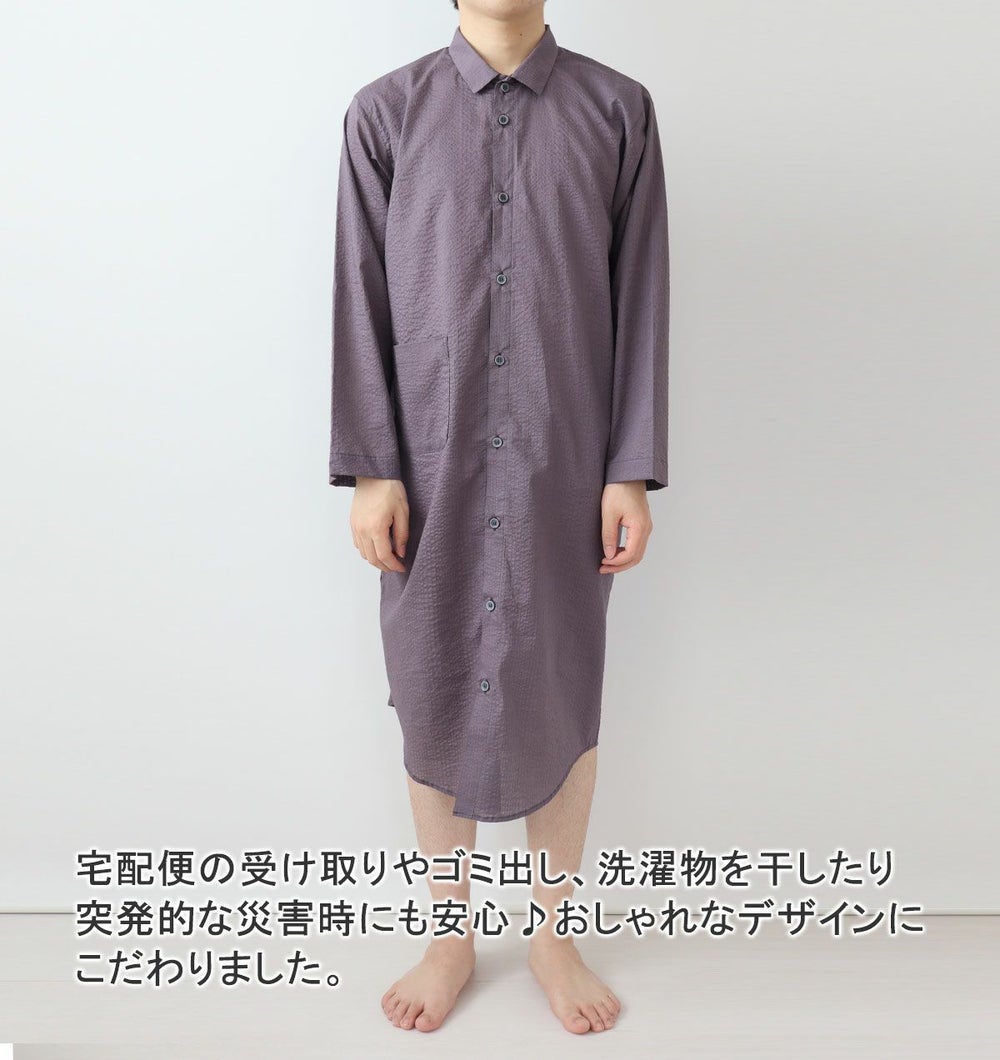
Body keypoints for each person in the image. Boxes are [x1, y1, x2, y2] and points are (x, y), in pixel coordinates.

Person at [329, 0, 669, 1035]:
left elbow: (641, 291)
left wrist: (628, 468)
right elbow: (358, 291)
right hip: (428, 459)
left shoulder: (618, 109)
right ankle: (449, 935)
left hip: (565, 457)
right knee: (433, 679)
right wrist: (372, 468)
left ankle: (553, 935)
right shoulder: (385, 113)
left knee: (562, 685)